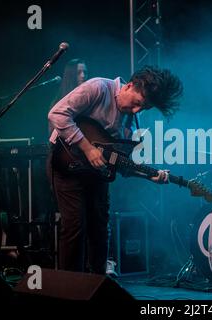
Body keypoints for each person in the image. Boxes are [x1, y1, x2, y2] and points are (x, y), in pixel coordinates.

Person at [47, 65, 183, 274]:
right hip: (67, 163)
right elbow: (57, 114)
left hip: (97, 172)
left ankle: (97, 282)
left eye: (143, 108)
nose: (137, 110)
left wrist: (149, 176)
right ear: (129, 86)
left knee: (100, 228)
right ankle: (70, 286)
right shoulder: (98, 88)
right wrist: (87, 148)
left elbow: (120, 163)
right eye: (137, 103)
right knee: (75, 226)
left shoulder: (132, 123)